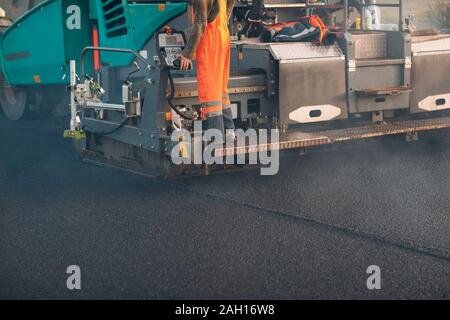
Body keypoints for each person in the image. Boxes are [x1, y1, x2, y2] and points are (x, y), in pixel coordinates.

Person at [178, 0, 236, 137]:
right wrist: (222, 23)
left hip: (210, 39)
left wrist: (187, 53)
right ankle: (229, 132)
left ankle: (217, 138)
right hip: (222, 34)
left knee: (210, 93)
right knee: (220, 89)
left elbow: (200, 24)